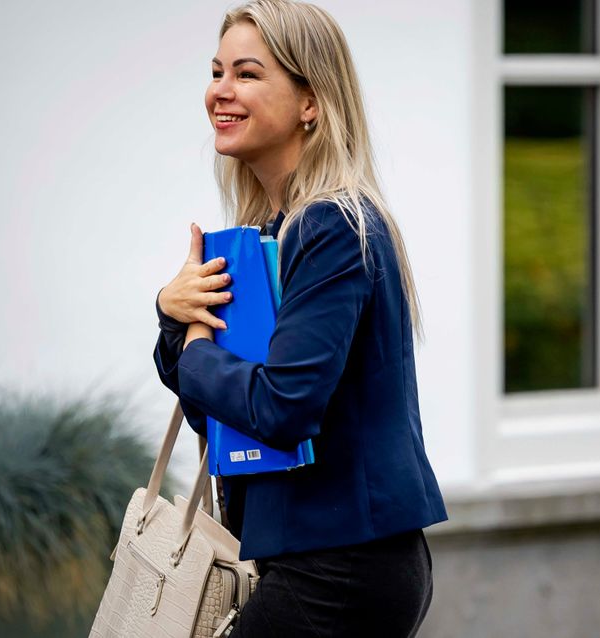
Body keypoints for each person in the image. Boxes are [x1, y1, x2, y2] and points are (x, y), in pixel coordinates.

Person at [152, 1, 447, 635]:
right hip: (300, 553)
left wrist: (196, 346)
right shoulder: (270, 234)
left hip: (340, 565)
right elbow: (219, 413)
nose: (220, 92)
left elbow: (283, 407)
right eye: (216, 70)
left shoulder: (335, 227)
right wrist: (174, 317)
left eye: (248, 74)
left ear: (310, 101)